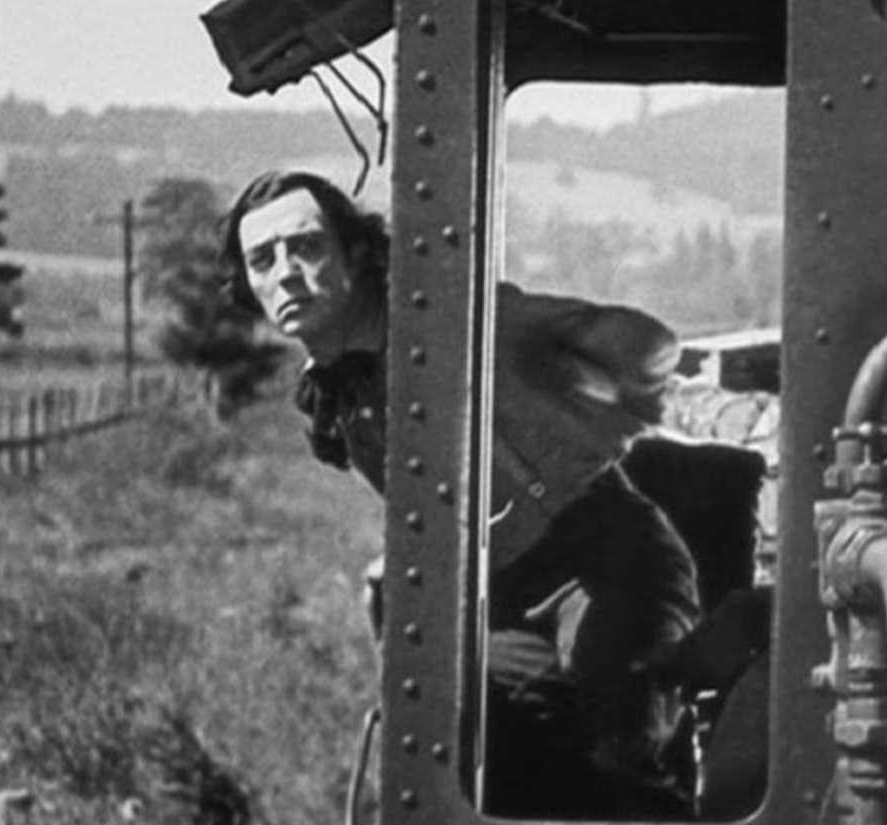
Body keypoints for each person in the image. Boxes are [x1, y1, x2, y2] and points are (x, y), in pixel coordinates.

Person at [219, 170, 700, 815]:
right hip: (501, 594)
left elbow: (649, 348)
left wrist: (581, 383)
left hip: (607, 564)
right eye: (262, 259)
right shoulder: (335, 391)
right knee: (477, 749)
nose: (286, 272)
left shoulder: (455, 327)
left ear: (357, 254)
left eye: (305, 247)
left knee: (620, 748)